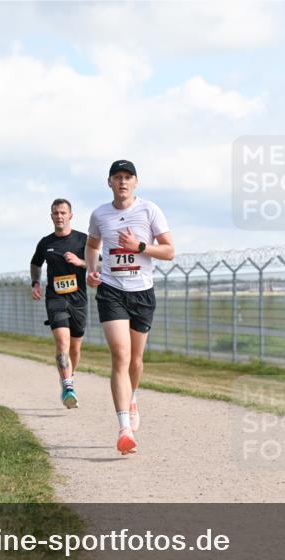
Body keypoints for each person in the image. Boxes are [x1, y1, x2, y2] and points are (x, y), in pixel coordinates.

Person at [86, 159, 175, 454]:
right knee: (120, 355)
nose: (122, 182)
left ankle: (132, 396)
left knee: (136, 361)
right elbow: (92, 245)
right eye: (117, 177)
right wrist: (91, 268)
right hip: (111, 290)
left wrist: (139, 247)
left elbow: (169, 251)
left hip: (142, 291)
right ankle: (124, 428)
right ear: (109, 182)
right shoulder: (100, 214)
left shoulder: (149, 210)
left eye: (128, 177)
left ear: (135, 182)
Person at [31, 198, 88, 408]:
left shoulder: (83, 240)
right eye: (56, 213)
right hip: (55, 297)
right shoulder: (46, 242)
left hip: (79, 299)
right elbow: (35, 263)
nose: (59, 216)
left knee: (75, 348)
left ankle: (69, 378)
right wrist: (35, 282)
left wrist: (80, 262)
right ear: (51, 216)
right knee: (62, 342)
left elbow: (99, 263)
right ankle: (68, 386)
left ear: (70, 215)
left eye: (63, 212)